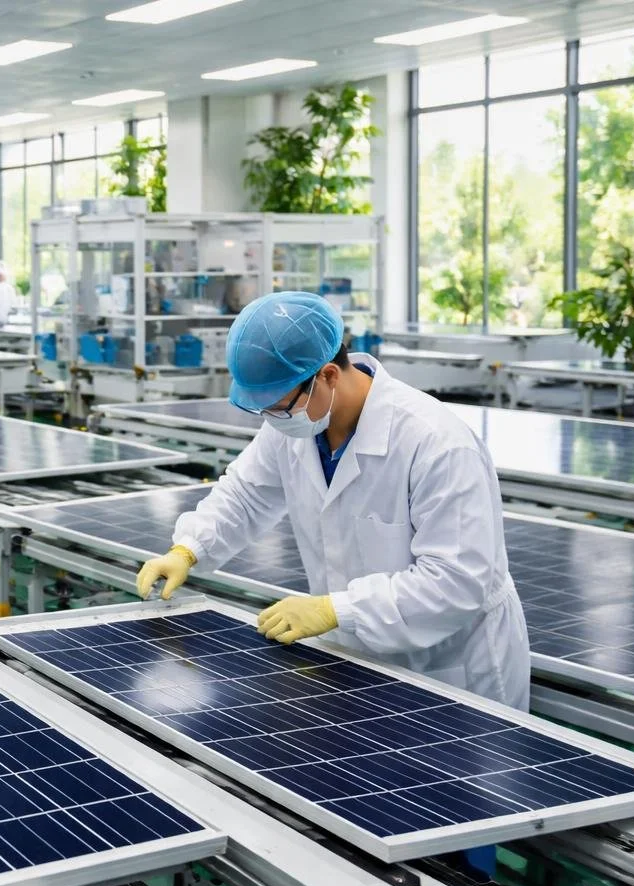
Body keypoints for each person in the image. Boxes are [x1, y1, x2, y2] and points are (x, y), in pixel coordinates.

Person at [136, 291, 529, 711]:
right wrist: (188, 549)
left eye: (278, 405)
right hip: (356, 651)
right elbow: (246, 494)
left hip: (452, 665)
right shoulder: (296, 423)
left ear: (327, 376)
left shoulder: (437, 443)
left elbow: (456, 580)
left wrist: (334, 609)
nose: (271, 418)